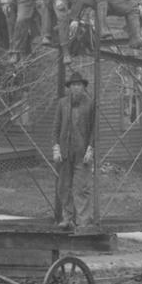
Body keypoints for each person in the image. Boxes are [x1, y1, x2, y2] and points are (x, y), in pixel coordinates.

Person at [52, 72, 96, 231]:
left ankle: (83, 221)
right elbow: (56, 127)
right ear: (69, 87)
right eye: (73, 85)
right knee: (63, 186)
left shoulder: (90, 104)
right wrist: (56, 147)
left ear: (84, 87)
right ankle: (67, 218)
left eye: (79, 85)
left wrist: (91, 149)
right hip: (65, 152)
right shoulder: (62, 103)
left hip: (82, 153)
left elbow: (94, 129)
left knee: (81, 187)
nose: (76, 87)